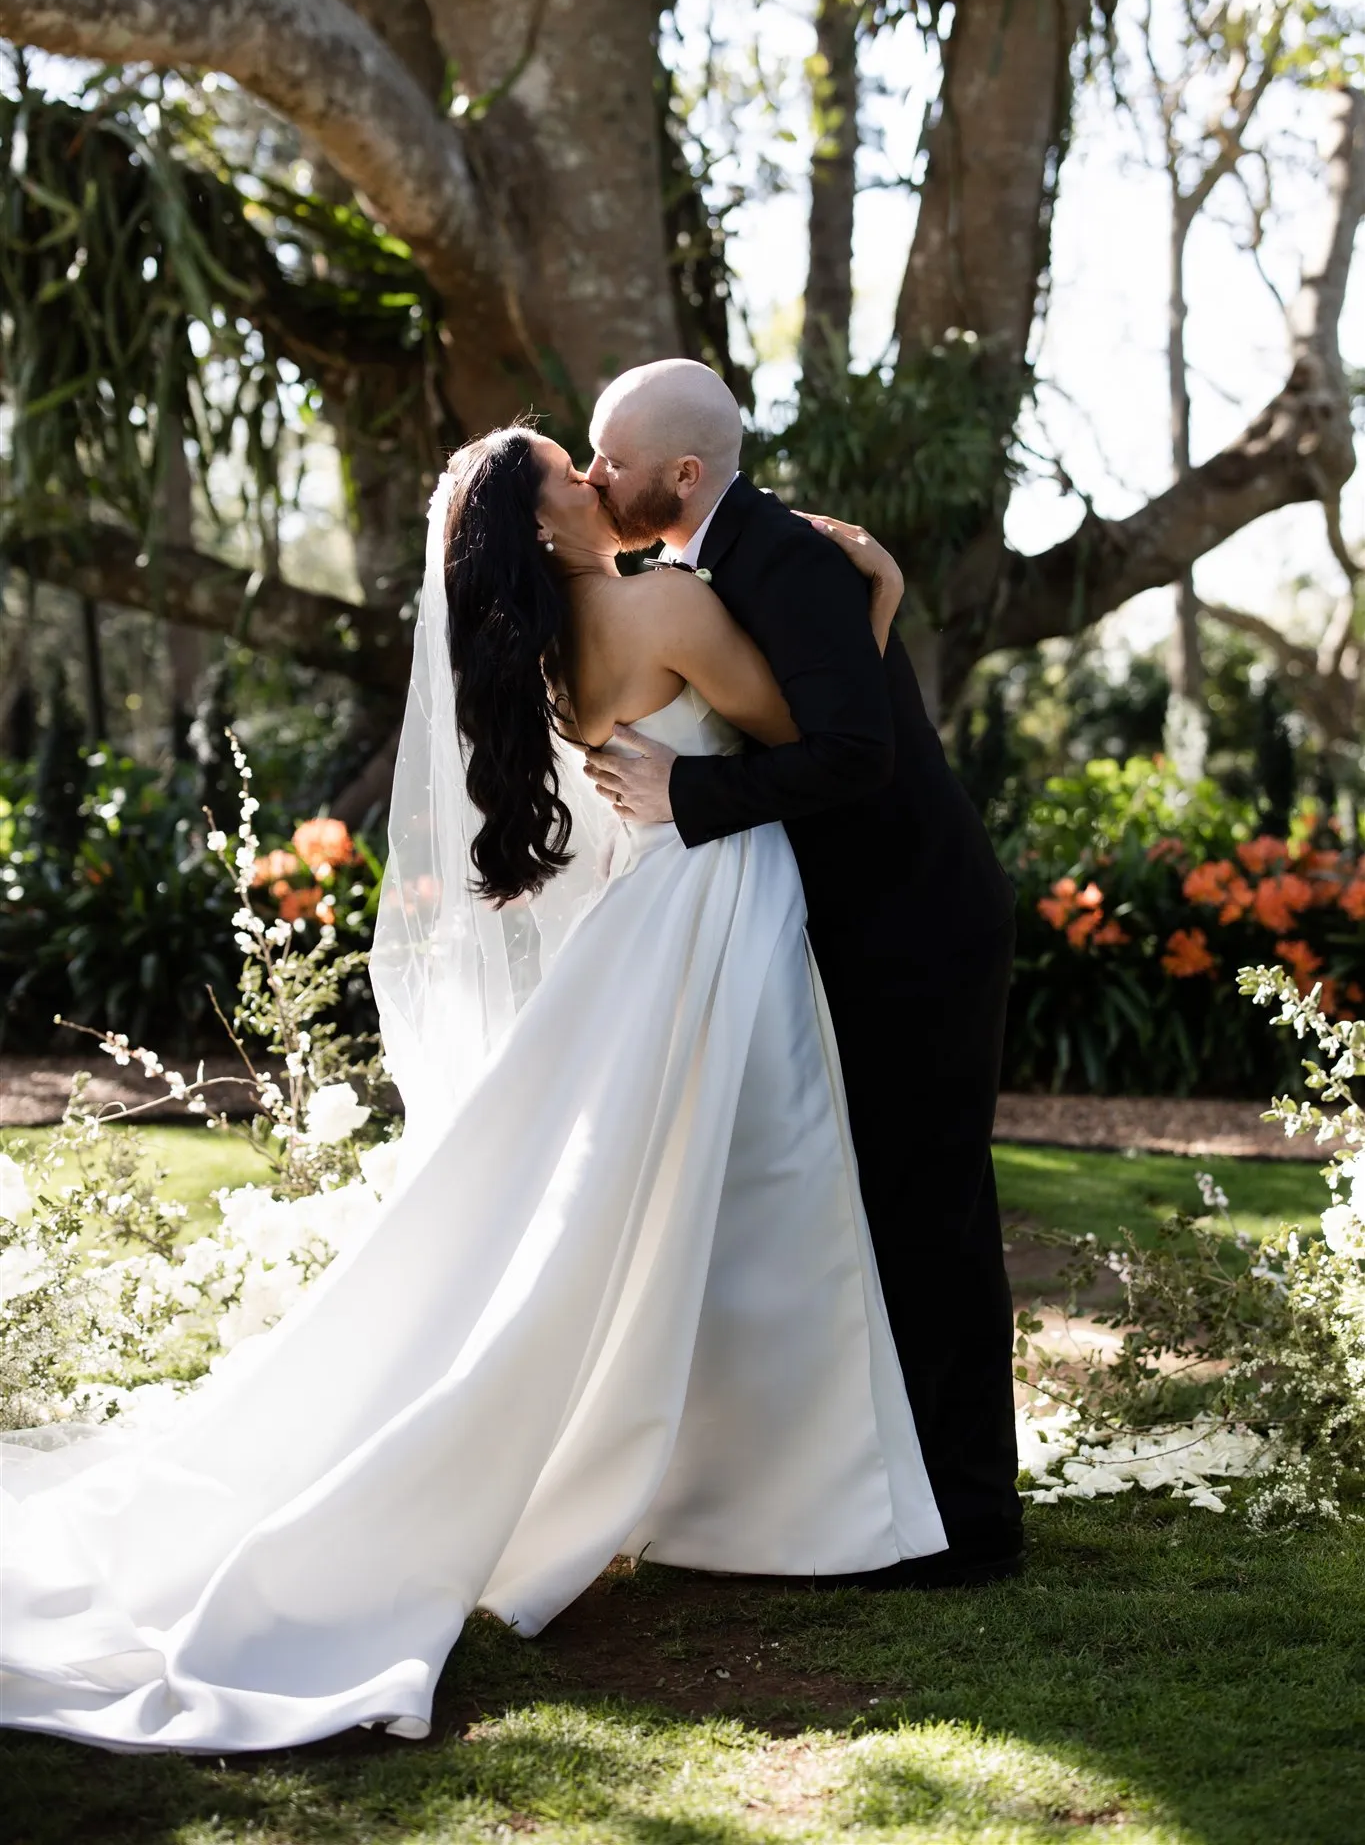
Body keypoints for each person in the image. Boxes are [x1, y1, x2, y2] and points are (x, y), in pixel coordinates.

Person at [0, 425, 944, 1756]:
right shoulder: (665, 600)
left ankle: (743, 1490)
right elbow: (805, 731)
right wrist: (881, 602)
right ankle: (774, 1497)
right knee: (758, 1170)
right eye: (578, 476)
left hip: (652, 909)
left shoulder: (550, 658)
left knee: (688, 1189)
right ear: (550, 523)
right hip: (712, 903)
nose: (602, 484)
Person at [582, 360, 1022, 1587]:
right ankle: (900, 1498)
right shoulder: (734, 562)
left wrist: (689, 791)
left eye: (612, 456)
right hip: (859, 924)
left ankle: (973, 1527)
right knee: (880, 1211)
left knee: (931, 1212)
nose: (593, 471)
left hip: (919, 925)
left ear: (685, 472)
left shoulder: (782, 557)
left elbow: (857, 755)